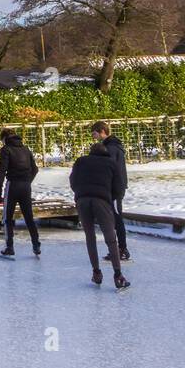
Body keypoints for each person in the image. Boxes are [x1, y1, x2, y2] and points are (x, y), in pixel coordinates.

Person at [70, 141, 130, 289]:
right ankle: (118, 275)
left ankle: (96, 273)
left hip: (83, 201)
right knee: (110, 237)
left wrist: (80, 193)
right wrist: (110, 198)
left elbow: (72, 181)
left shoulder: (80, 161)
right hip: (102, 201)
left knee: (90, 236)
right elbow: (119, 187)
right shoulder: (110, 163)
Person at [0, 129, 41, 258]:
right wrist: (27, 181)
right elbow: (35, 169)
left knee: (7, 217)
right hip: (26, 186)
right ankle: (36, 244)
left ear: (4, 138)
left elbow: (2, 170)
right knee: (28, 217)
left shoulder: (6, 149)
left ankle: (9, 247)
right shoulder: (26, 149)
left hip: (13, 185)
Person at [91, 121, 130, 261]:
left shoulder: (111, 148)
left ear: (102, 131)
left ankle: (122, 249)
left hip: (114, 189)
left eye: (94, 133)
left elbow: (109, 169)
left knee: (117, 218)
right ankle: (119, 249)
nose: (93, 137)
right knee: (113, 218)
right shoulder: (111, 146)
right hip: (113, 188)